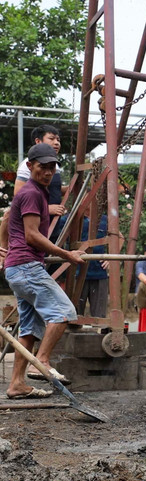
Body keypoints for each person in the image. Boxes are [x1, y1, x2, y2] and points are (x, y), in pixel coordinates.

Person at [1, 143, 85, 400]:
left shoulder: (36, 192)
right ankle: (43, 361)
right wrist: (67, 254)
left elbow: (7, 219)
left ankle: (16, 384)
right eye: (42, 167)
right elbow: (32, 235)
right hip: (26, 266)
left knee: (30, 330)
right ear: (30, 166)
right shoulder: (32, 193)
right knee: (64, 312)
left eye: (51, 168)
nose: (47, 172)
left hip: (18, 268)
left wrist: (3, 247)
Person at [77, 213, 109, 318]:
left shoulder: (104, 219)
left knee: (99, 317)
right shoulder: (74, 218)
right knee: (74, 316)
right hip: (77, 273)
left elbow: (119, 238)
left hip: (99, 272)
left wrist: (111, 257)